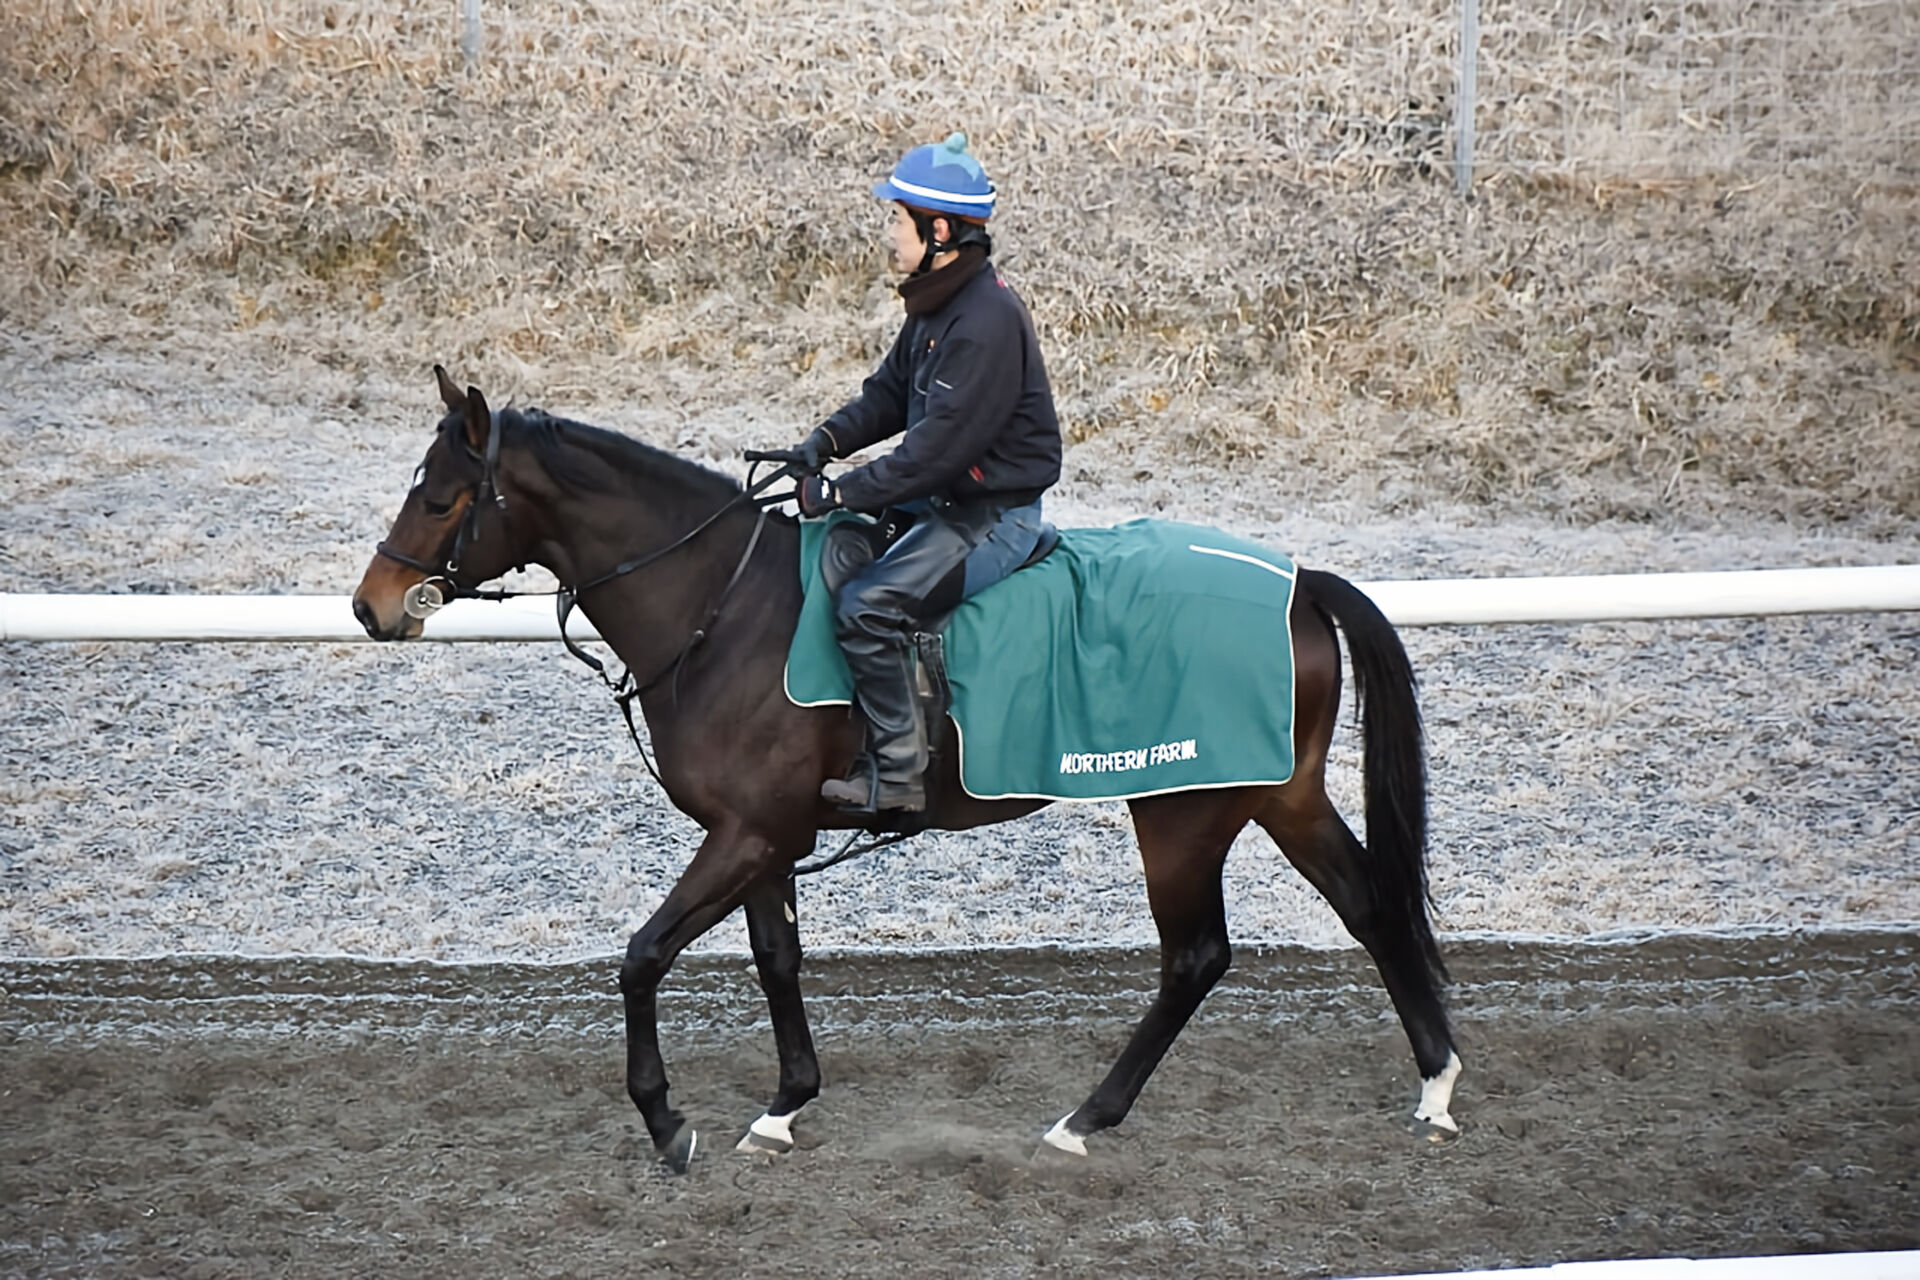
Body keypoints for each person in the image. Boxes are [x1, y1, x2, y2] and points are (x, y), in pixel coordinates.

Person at [791, 132, 1063, 815]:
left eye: (896, 219)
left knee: (867, 605)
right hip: (948, 504)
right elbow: (887, 396)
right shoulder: (939, 300)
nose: (889, 233)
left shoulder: (985, 322)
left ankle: (900, 776)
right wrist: (821, 443)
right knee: (838, 550)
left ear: (938, 229)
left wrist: (839, 491)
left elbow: (933, 457)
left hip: (992, 519)